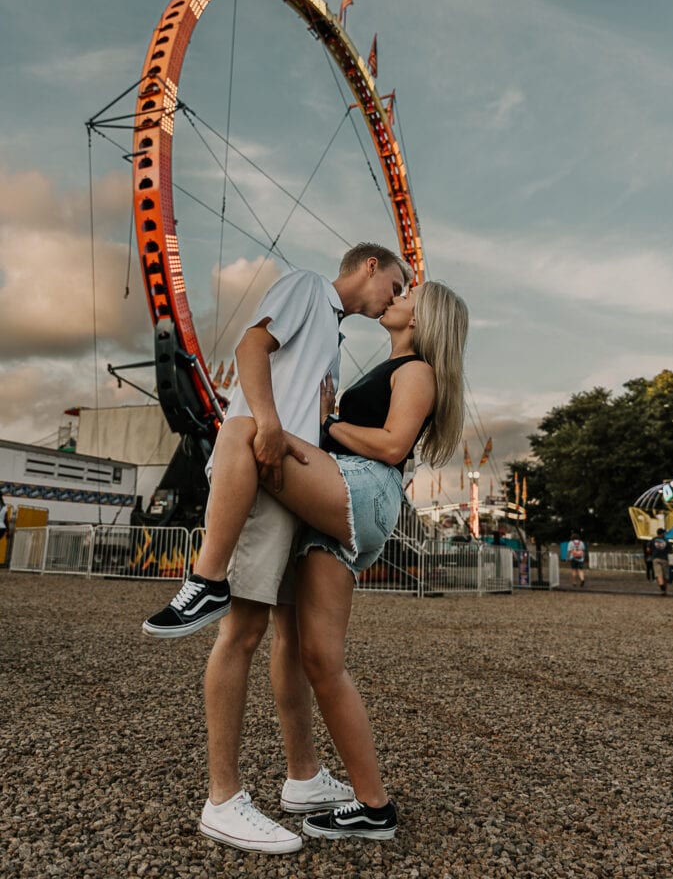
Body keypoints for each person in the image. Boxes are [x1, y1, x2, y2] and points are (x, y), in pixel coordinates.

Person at [154, 279, 468, 844]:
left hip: (363, 489)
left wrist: (326, 425)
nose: (397, 297)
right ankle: (372, 806)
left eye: (408, 295)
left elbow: (394, 446)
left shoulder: (417, 369)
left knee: (248, 427)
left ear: (426, 320)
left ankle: (206, 579)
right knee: (318, 657)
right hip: (342, 502)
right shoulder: (391, 365)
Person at [647, 528, 673, 595]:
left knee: (658, 574)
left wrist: (652, 552)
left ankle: (662, 587)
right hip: (664, 559)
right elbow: (671, 551)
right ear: (662, 533)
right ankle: (664, 591)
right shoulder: (666, 541)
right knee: (665, 576)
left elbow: (648, 549)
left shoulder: (653, 540)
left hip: (655, 559)